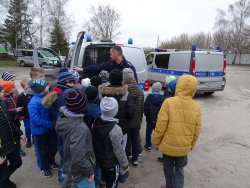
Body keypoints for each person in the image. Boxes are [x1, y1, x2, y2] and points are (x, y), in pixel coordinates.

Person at [153, 75, 202, 188]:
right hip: (184, 147)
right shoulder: (196, 107)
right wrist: (191, 145)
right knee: (179, 169)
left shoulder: (168, 102)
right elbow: (196, 130)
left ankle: (169, 186)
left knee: (168, 168)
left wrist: (156, 142)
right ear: (194, 89)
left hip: (168, 145)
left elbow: (160, 125)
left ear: (179, 85)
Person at [55, 89, 95, 188]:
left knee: (70, 180)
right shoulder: (80, 128)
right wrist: (89, 171)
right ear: (83, 106)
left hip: (70, 165)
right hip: (82, 171)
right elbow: (78, 156)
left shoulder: (63, 116)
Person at [92, 97, 129, 188]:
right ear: (115, 111)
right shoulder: (115, 129)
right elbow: (119, 150)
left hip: (99, 158)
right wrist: (124, 164)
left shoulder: (95, 122)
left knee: (103, 177)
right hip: (111, 163)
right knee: (112, 183)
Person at [28, 79, 58, 178]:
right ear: (41, 89)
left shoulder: (47, 97)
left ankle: (51, 162)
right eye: (46, 86)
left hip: (50, 129)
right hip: (40, 132)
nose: (48, 87)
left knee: (53, 147)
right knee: (42, 150)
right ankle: (43, 167)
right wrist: (50, 124)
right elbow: (35, 119)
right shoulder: (33, 102)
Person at [0, 86, 26, 188]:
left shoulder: (2, 103)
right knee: (2, 172)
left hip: (11, 142)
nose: (4, 94)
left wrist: (20, 133)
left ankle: (4, 179)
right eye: (2, 92)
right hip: (1, 149)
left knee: (17, 162)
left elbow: (9, 121)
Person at [73, 46, 138, 83]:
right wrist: (83, 69)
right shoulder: (110, 64)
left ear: (115, 54)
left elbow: (134, 83)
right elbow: (98, 67)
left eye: (110, 54)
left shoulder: (129, 67)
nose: (110, 56)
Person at [122, 68, 144, 167]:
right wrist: (139, 120)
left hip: (126, 121)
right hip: (136, 122)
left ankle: (127, 157)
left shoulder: (123, 90)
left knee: (127, 140)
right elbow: (142, 107)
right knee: (136, 140)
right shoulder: (139, 90)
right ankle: (135, 159)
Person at [0, 81, 26, 157]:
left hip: (16, 119)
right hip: (10, 120)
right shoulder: (4, 100)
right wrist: (15, 110)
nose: (14, 88)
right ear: (7, 89)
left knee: (17, 134)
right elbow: (6, 112)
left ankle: (18, 147)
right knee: (13, 135)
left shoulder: (12, 96)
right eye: (13, 87)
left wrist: (19, 115)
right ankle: (17, 149)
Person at [144, 82, 165, 152]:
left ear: (152, 88)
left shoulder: (149, 97)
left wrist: (146, 115)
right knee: (158, 132)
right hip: (158, 119)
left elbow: (145, 107)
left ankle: (148, 145)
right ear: (160, 89)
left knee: (148, 132)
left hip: (149, 118)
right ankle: (158, 145)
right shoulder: (162, 98)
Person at [17, 79, 34, 148]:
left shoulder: (32, 94)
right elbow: (19, 107)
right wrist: (21, 115)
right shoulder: (21, 96)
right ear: (22, 87)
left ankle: (34, 139)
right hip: (26, 116)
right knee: (28, 128)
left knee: (33, 128)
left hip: (33, 115)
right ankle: (29, 140)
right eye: (27, 87)